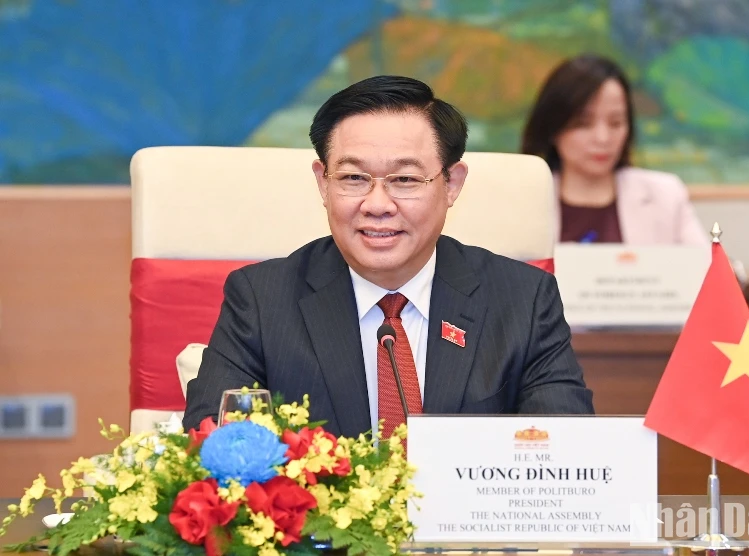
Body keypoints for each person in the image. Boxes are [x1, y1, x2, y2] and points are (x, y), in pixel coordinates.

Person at [183, 75, 594, 438]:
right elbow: (215, 448)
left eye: (405, 179)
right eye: (353, 177)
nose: (377, 204)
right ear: (323, 183)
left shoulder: (523, 300)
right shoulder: (261, 300)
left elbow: (565, 448)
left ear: (451, 184)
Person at [521, 54, 708, 245]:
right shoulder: (522, 203)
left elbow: (705, 262)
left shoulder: (666, 196)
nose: (603, 138)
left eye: (616, 123)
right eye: (583, 124)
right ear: (553, 128)